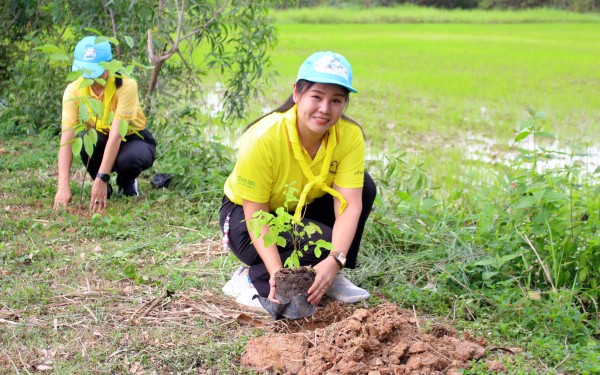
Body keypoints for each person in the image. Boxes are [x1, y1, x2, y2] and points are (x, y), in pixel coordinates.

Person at [220, 51, 376, 308]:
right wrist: (277, 275)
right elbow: (255, 213)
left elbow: (349, 205)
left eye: (336, 100)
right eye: (317, 97)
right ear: (296, 93)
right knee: (317, 242)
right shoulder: (263, 138)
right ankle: (249, 279)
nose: (325, 109)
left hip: (297, 207)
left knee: (364, 187)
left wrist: (336, 260)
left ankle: (330, 274)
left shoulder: (349, 136)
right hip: (245, 215)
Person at [53, 36, 156, 212]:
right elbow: (67, 139)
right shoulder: (74, 90)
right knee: (86, 140)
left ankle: (125, 181)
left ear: (109, 65)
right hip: (101, 137)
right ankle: (102, 187)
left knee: (129, 160)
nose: (91, 76)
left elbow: (116, 134)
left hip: (132, 139)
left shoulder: (125, 85)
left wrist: (102, 176)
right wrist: (62, 186)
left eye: (96, 70)